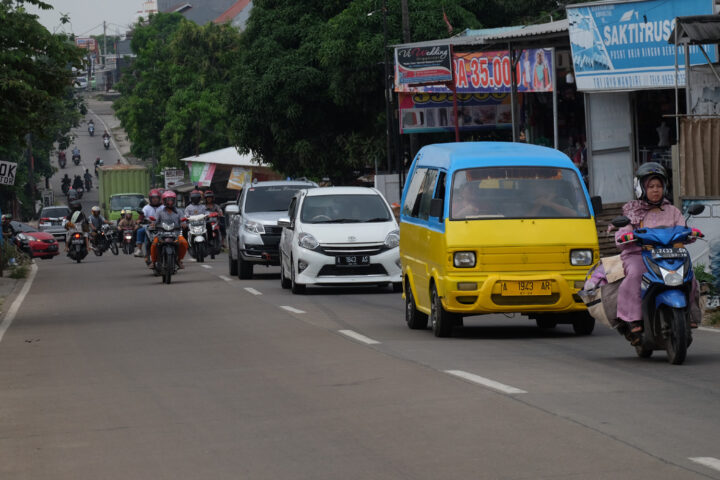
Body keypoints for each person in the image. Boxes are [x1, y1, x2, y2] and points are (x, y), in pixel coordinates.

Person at [613, 162, 700, 336]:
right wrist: (626, 236)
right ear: (641, 188)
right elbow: (622, 235)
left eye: (659, 186)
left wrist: (691, 233)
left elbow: (683, 229)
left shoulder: (673, 211)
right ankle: (633, 318)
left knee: (691, 277)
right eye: (651, 186)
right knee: (636, 274)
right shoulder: (633, 212)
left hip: (671, 255)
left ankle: (689, 313)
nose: (655, 190)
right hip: (640, 254)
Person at [149, 190, 188, 269]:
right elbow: (155, 220)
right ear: (164, 201)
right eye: (168, 200)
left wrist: (184, 224)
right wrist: (153, 223)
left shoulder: (179, 211)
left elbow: (183, 220)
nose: (170, 202)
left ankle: (179, 260)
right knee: (154, 244)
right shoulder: (159, 212)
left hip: (175, 234)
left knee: (184, 243)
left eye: (171, 200)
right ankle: (153, 262)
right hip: (161, 234)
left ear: (174, 201)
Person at [136, 189, 163, 258]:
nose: (155, 200)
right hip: (149, 226)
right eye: (153, 198)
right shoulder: (146, 207)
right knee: (140, 231)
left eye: (156, 198)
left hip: (162, 226)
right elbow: (142, 215)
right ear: (150, 199)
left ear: (159, 198)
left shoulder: (163, 207)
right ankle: (139, 249)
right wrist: (139, 220)